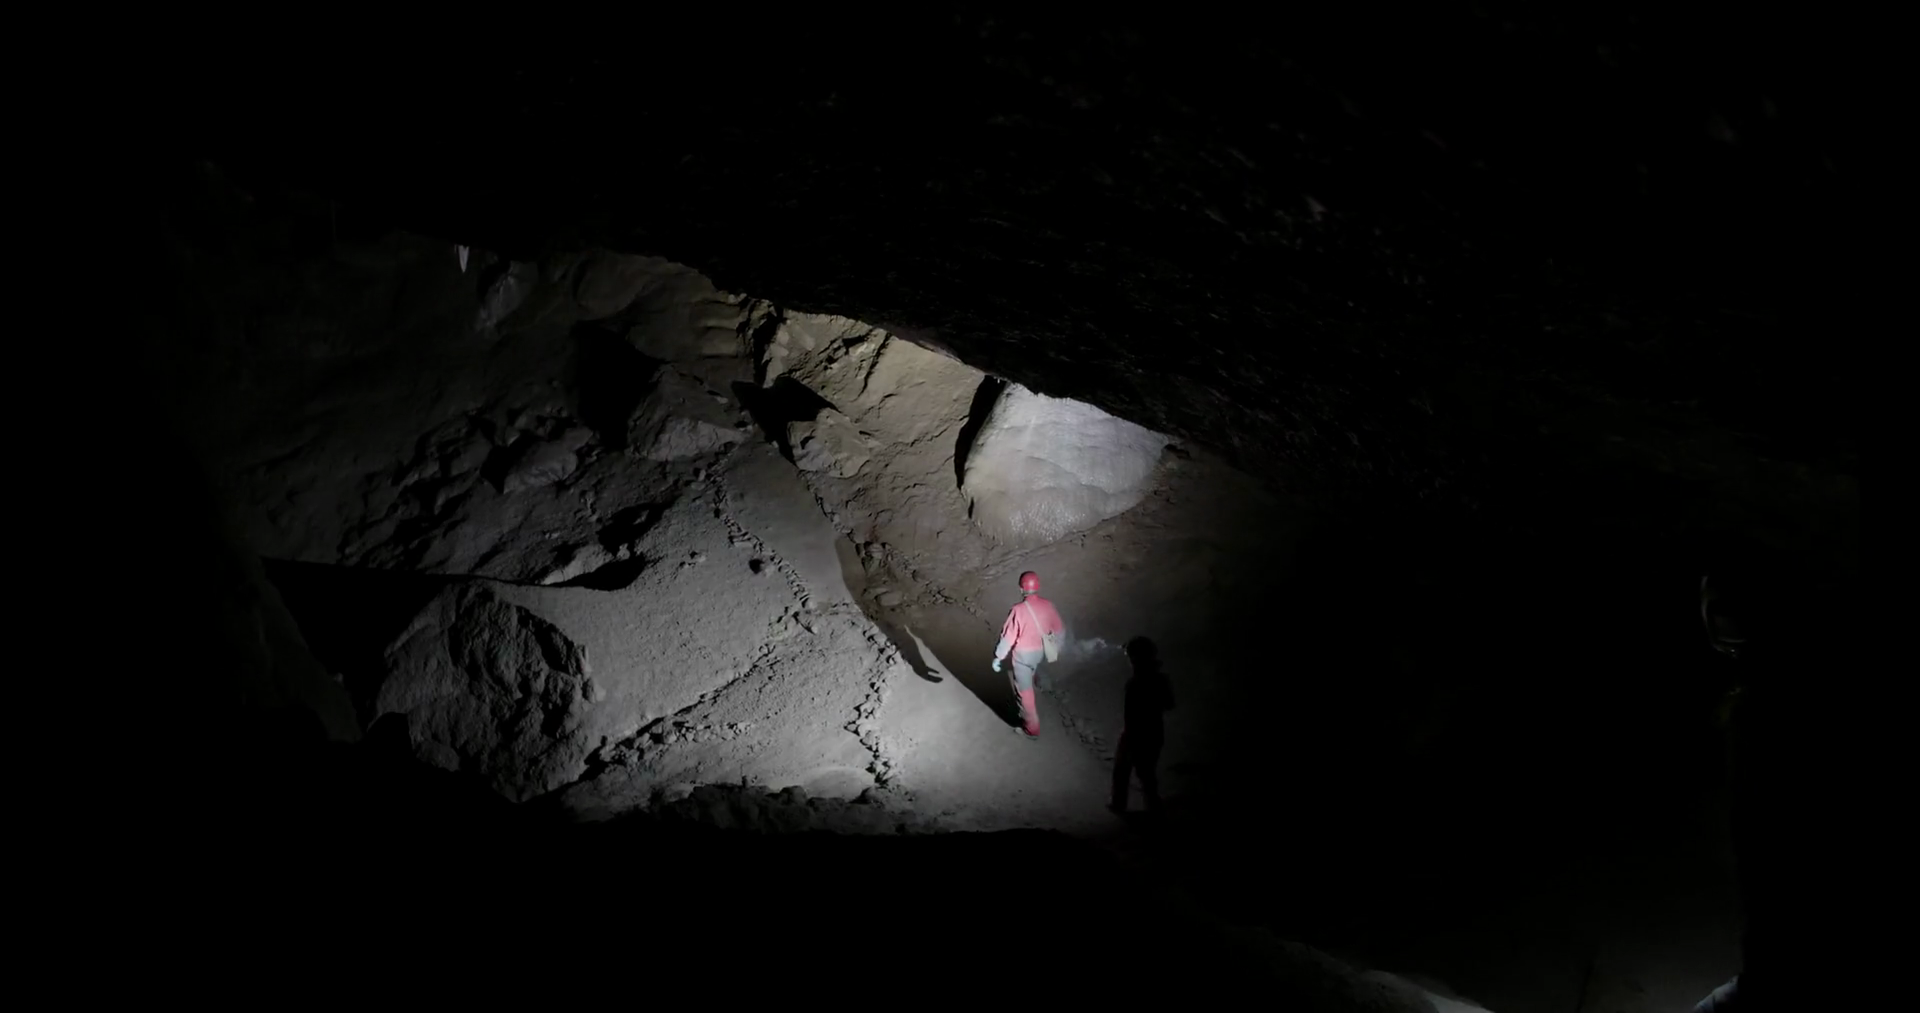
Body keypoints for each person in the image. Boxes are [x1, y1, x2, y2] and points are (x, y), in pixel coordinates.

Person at [991, 570, 1063, 738]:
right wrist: (1057, 648)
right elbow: (1059, 630)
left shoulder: (1018, 610)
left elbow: (1008, 637)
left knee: (1025, 693)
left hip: (1023, 658)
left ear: (1021, 589)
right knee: (1033, 667)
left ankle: (1032, 729)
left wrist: (998, 657)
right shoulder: (1048, 605)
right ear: (1037, 587)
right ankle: (1038, 678)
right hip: (1040, 653)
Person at [1110, 636, 1175, 814]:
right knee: (1141, 772)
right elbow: (1169, 704)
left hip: (1138, 732)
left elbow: (1165, 704)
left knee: (1136, 771)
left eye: (1131, 656)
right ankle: (1146, 807)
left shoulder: (1139, 682)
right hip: (1151, 731)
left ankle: (1147, 809)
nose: (1129, 660)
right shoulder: (1157, 679)